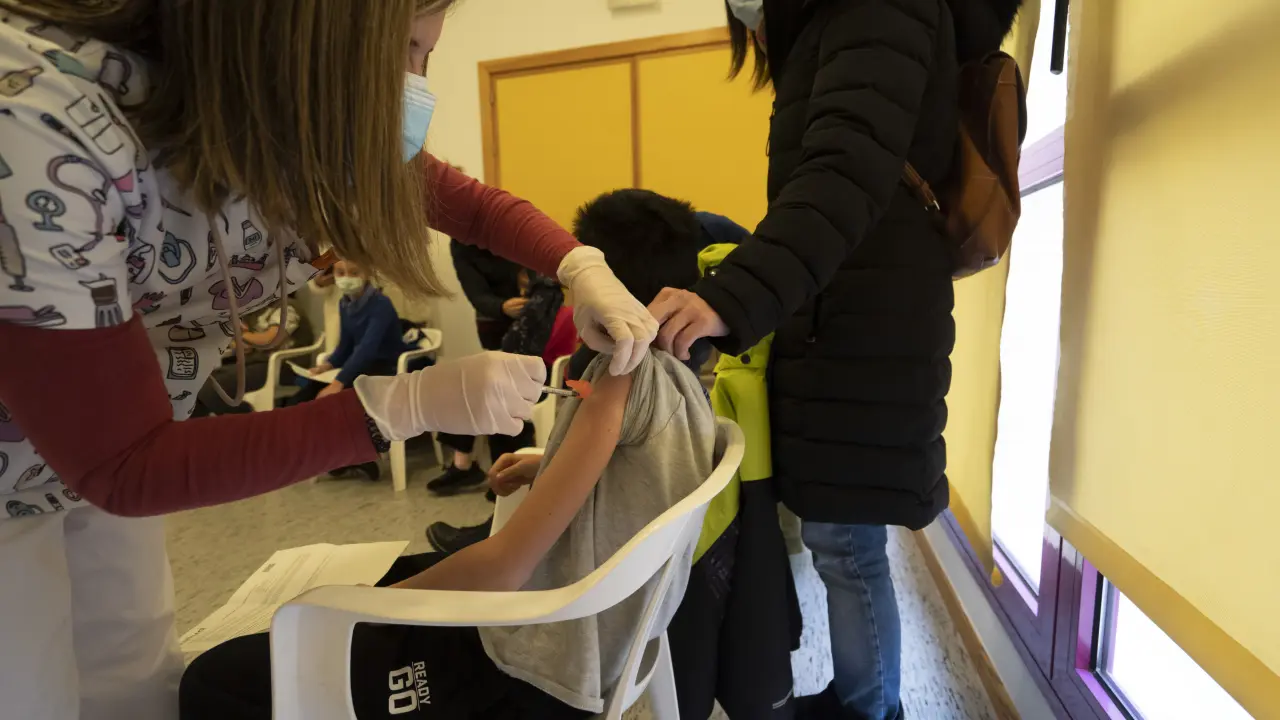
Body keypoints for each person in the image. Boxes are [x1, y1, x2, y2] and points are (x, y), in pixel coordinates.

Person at [0, 3, 655, 717]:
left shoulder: (289, 120)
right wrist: (398, 408)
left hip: (109, 443)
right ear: (304, 32)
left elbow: (467, 204)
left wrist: (578, 263)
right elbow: (126, 464)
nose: (417, 85)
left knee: (132, 674)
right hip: (28, 466)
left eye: (428, 56)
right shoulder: (39, 131)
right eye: (406, 50)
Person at [646, 1, 1023, 717]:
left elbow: (842, 174)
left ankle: (873, 707)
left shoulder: (876, 6)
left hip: (867, 321)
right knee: (838, 536)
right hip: (851, 315)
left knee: (847, 545)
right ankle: (860, 697)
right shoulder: (842, 20)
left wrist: (733, 297)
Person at [179, 347, 716, 719]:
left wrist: (371, 607)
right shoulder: (681, 380)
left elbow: (503, 567)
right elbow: (636, 472)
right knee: (391, 575)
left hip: (522, 672)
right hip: (566, 637)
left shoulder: (623, 371)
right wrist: (546, 466)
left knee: (213, 678)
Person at [428, 267, 569, 497]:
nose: (521, 295)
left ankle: (477, 469)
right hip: (539, 377)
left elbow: (517, 349)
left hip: (542, 381)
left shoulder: (542, 312)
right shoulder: (558, 311)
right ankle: (471, 466)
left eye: (523, 288)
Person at [191, 292, 311, 417]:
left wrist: (240, 334)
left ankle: (249, 416)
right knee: (195, 384)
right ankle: (198, 427)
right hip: (257, 362)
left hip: (285, 367)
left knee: (212, 388)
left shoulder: (288, 308)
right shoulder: (255, 310)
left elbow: (270, 340)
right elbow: (247, 344)